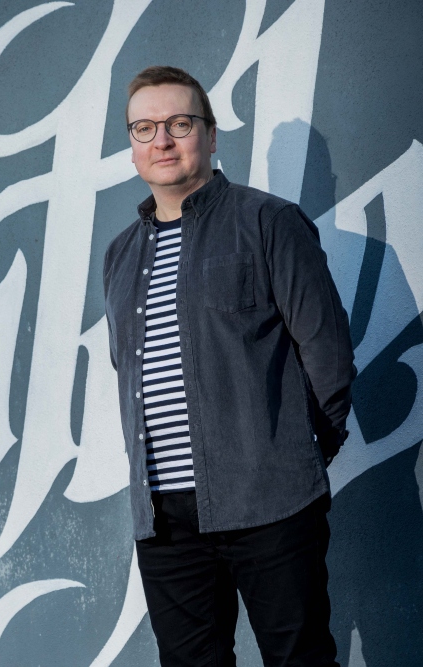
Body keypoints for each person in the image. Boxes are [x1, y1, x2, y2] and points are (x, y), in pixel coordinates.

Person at [103, 66, 355, 666]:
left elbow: (328, 354)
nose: (161, 140)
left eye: (179, 123)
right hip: (165, 521)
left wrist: (297, 458)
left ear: (211, 136)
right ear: (132, 146)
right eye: (144, 127)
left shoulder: (269, 222)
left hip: (270, 503)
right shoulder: (119, 256)